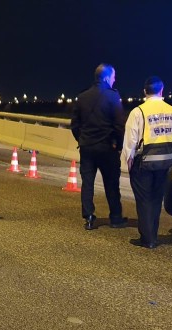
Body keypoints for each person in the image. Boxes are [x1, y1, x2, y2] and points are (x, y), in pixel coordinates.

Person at [122, 76, 172, 249]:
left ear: (144, 91)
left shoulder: (138, 111)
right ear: (161, 90)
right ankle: (153, 235)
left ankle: (147, 238)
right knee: (156, 199)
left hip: (144, 162)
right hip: (165, 162)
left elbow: (130, 140)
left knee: (144, 200)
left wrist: (128, 159)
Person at [70, 63, 127, 231]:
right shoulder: (112, 96)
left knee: (87, 183)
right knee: (111, 183)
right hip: (107, 148)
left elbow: (74, 125)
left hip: (87, 147)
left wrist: (82, 139)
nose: (115, 79)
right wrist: (118, 145)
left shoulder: (82, 97)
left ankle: (88, 217)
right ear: (107, 77)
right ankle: (115, 217)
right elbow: (119, 125)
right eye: (113, 76)